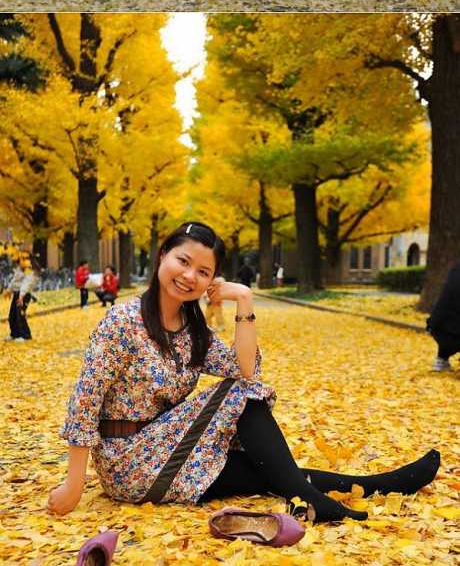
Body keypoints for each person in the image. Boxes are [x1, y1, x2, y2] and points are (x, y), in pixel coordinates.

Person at [48, 218, 440, 527]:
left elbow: (246, 368)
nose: (189, 276)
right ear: (162, 257)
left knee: (266, 471)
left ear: (211, 281)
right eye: (182, 262)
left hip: (170, 452)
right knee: (241, 397)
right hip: (127, 461)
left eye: (203, 272)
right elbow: (85, 400)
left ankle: (377, 486)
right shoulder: (122, 321)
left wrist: (244, 299)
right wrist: (74, 484)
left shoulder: (192, 331)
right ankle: (308, 501)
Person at [426, 259, 460, 371]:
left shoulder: (456, 266)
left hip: (436, 327)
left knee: (449, 320)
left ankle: (441, 360)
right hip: (454, 331)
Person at [8, 269, 35, 340]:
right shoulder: (19, 269)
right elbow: (15, 280)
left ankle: (26, 336)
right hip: (17, 294)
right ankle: (15, 334)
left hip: (24, 295)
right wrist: (9, 290)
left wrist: (21, 295)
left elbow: (27, 283)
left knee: (20, 315)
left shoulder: (28, 270)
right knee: (12, 315)